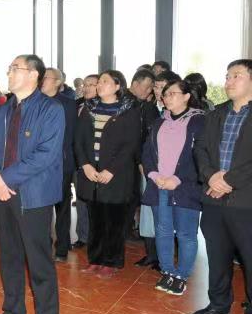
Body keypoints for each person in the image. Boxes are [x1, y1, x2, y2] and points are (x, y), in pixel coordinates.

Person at [0, 55, 64, 314]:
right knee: (9, 256)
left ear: (33, 75)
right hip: (3, 193)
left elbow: (46, 154)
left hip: (34, 195)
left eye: (14, 68)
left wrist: (4, 179)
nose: (8, 72)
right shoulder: (4, 110)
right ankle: (13, 311)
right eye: (9, 68)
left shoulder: (51, 109)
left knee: (39, 260)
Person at [192, 59, 252, 314]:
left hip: (246, 202)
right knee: (217, 256)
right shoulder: (216, 113)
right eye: (227, 76)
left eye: (236, 76)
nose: (229, 81)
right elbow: (200, 149)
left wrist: (228, 181)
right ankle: (219, 304)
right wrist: (211, 177)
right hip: (214, 200)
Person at [75, 70, 141, 278]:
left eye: (105, 81)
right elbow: (78, 140)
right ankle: (95, 259)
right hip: (91, 173)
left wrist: (111, 169)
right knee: (95, 219)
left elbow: (130, 145)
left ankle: (111, 262)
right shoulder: (88, 108)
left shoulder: (128, 111)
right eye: (99, 82)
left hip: (116, 174)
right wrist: (85, 165)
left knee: (114, 221)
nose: (100, 85)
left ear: (117, 86)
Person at [141, 79, 204, 295]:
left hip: (185, 186)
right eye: (165, 94)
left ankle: (181, 275)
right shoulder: (159, 122)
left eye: (173, 93)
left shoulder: (199, 121)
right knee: (163, 230)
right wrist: (153, 175)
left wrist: (177, 178)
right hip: (159, 184)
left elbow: (200, 156)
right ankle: (167, 271)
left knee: (186, 234)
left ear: (186, 96)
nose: (167, 97)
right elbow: (147, 152)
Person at [41, 67, 77, 262]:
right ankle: (43, 245)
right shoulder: (34, 101)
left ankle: (62, 246)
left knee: (62, 206)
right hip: (38, 164)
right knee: (41, 206)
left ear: (57, 82)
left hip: (61, 162)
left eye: (46, 77)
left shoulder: (69, 104)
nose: (42, 80)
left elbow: (72, 135)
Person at [131, 68, 162, 270]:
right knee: (146, 211)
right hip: (139, 164)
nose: (152, 91)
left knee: (155, 211)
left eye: (156, 87)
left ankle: (158, 256)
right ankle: (152, 254)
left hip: (152, 167)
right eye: (151, 87)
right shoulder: (136, 105)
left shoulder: (150, 109)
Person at [73, 73, 99, 248]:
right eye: (85, 84)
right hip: (78, 160)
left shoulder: (105, 108)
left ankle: (96, 238)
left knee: (96, 203)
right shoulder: (76, 105)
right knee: (81, 200)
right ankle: (83, 236)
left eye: (91, 84)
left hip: (96, 163)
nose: (87, 88)